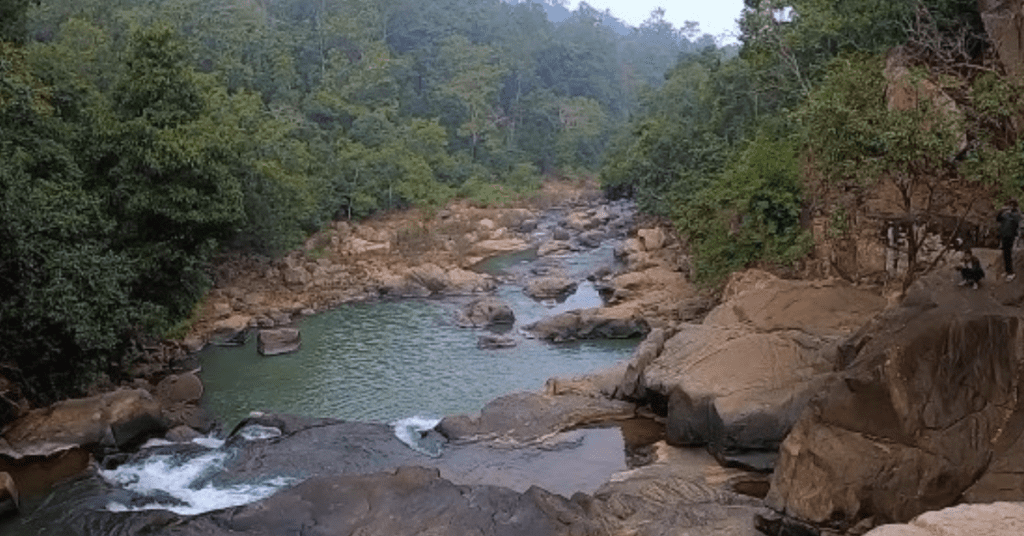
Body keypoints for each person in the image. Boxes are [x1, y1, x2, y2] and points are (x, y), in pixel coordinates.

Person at [997, 199, 1022, 281]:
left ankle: (1011, 273)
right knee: (1005, 254)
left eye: (1012, 205)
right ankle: (1007, 271)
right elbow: (998, 218)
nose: (1010, 206)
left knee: (1009, 255)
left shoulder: (1016, 214)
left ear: (1015, 206)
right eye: (1009, 204)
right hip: (1004, 236)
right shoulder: (1006, 214)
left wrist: (1009, 212)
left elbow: (1016, 221)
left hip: (1011, 237)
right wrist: (1001, 210)